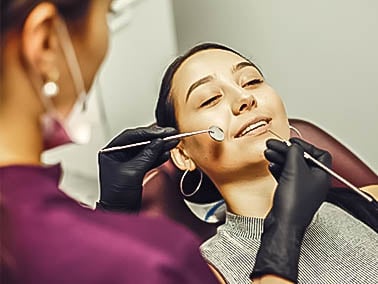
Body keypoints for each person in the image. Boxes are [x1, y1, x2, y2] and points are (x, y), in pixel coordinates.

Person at [0, 1, 219, 283]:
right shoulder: (156, 263)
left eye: (251, 81)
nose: (245, 101)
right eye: (107, 14)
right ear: (46, 41)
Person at [151, 42, 378, 283]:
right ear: (183, 155)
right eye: (210, 99)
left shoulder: (365, 200)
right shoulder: (207, 271)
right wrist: (284, 231)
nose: (244, 98)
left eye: (251, 81)